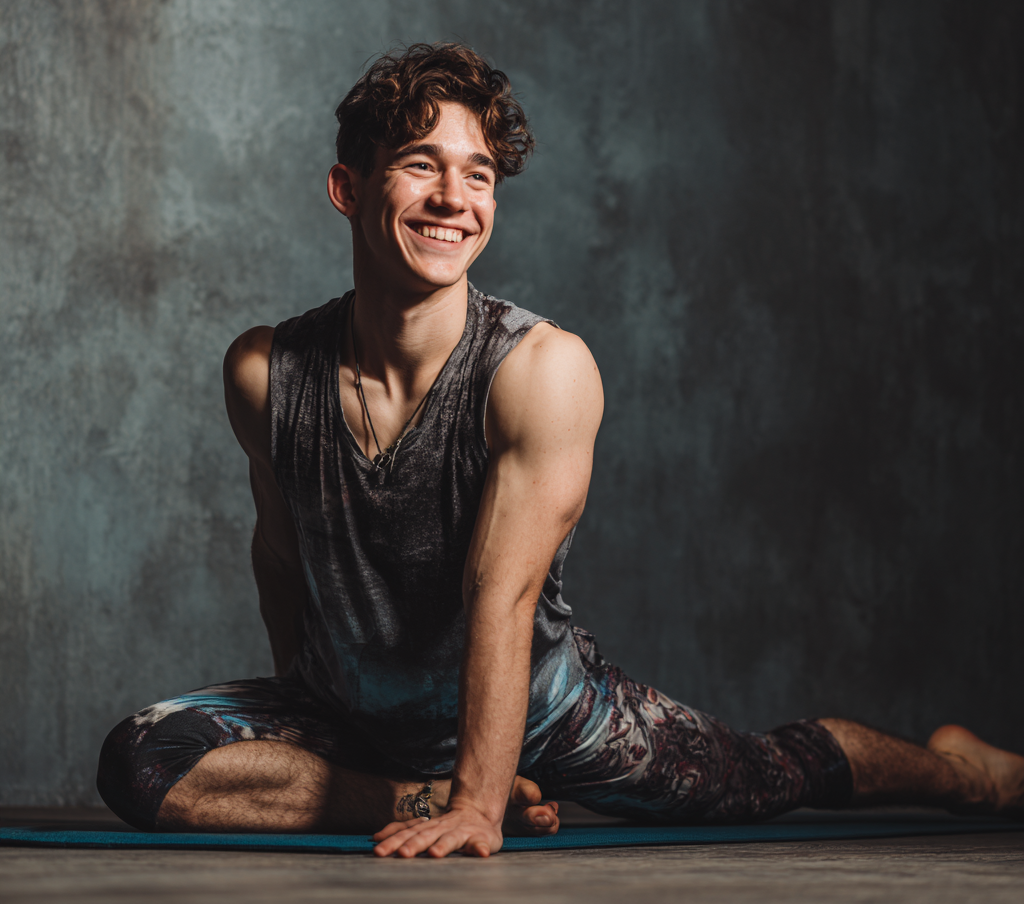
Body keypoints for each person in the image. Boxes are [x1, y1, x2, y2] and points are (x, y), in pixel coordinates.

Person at [97, 43, 1024, 858]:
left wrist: (478, 802)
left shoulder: (540, 371)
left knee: (771, 772)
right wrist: (327, 735)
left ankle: (962, 773)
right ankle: (396, 794)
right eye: (422, 166)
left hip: (540, 711)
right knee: (141, 759)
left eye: (480, 174)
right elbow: (282, 555)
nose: (455, 199)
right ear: (348, 188)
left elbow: (501, 599)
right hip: (357, 719)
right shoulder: (266, 372)